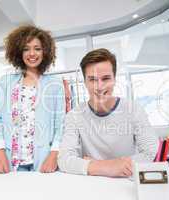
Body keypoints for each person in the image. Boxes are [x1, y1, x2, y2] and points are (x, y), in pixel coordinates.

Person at [58, 48, 158, 177]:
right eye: (93, 79)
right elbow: (64, 159)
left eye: (105, 78)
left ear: (114, 79)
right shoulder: (74, 116)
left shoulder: (134, 110)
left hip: (126, 185)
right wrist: (108, 167)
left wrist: (97, 165)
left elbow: (152, 153)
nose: (99, 87)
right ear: (85, 82)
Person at [0, 25, 65, 173]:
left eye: (37, 48)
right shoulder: (5, 82)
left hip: (44, 160)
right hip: (11, 159)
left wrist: (54, 154)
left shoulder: (55, 84)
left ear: (45, 51)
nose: (32, 53)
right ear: (18, 52)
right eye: (26, 49)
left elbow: (61, 123)